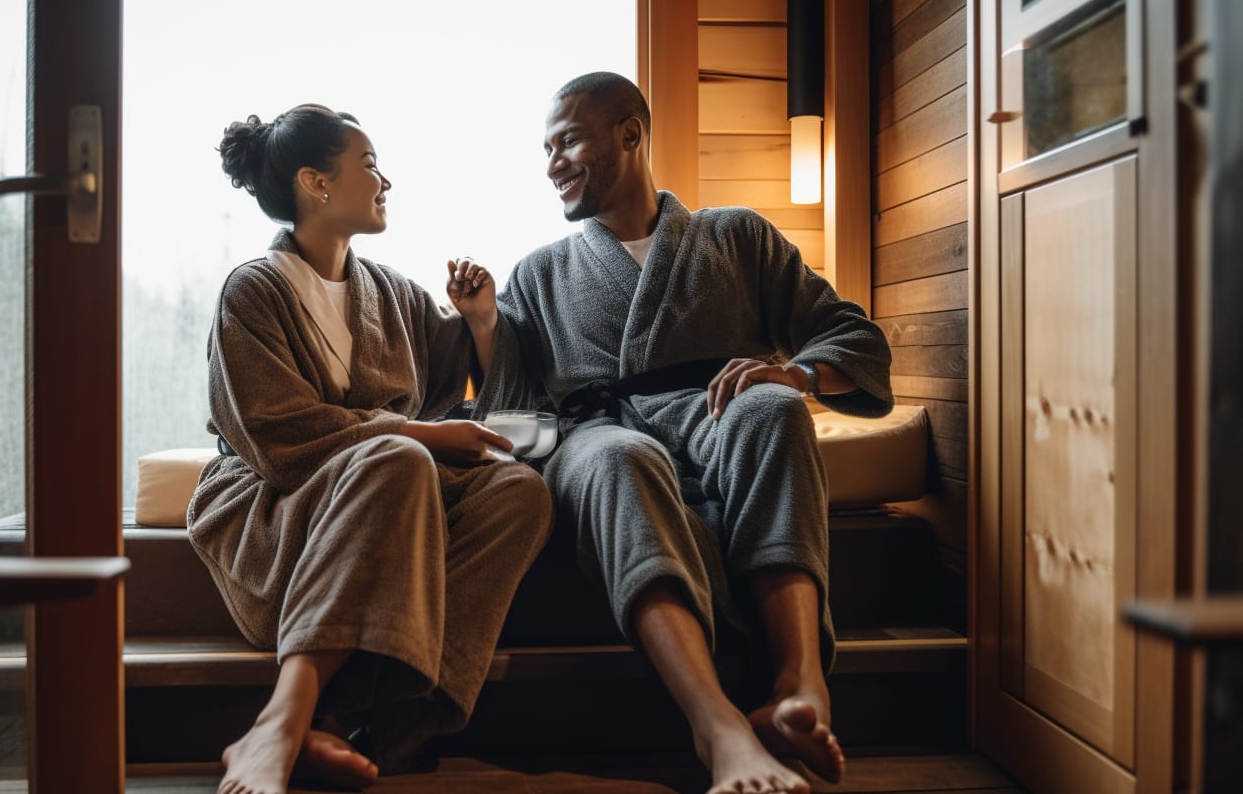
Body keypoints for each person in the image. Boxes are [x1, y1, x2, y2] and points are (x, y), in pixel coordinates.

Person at [470, 72, 894, 794]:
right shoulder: (538, 273)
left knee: (773, 408)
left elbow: (850, 334)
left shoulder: (736, 236)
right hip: (596, 435)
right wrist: (484, 325)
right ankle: (717, 725)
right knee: (621, 455)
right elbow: (514, 408)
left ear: (630, 134)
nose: (552, 164)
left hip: (715, 413)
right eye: (546, 150)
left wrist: (797, 375)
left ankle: (800, 681)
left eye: (568, 142)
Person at [188, 103, 553, 794]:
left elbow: (453, 378)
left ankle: (382, 723)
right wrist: (414, 435)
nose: (386, 181)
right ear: (316, 183)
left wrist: (480, 321)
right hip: (279, 513)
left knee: (519, 492)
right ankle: (283, 720)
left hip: (390, 506)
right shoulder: (253, 292)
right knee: (399, 458)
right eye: (370, 165)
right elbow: (278, 440)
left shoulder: (389, 291)